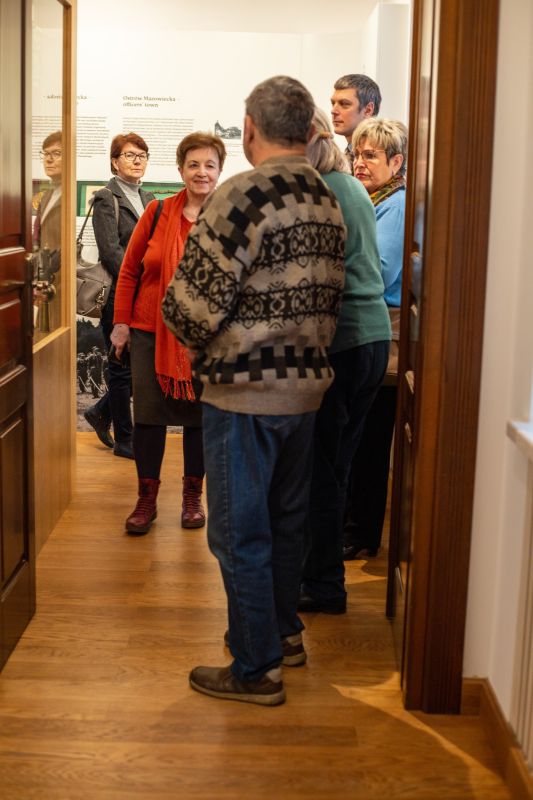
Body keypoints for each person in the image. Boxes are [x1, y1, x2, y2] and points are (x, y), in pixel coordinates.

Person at [161, 76, 346, 707]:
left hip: (245, 391)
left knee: (238, 532)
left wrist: (195, 344)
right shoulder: (324, 195)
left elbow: (190, 305)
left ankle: (256, 667)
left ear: (249, 129)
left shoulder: (243, 193)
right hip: (306, 390)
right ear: (309, 129)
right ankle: (283, 634)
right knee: (287, 521)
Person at [297, 109, 391, 615]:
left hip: (342, 341)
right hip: (369, 339)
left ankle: (324, 585)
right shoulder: (348, 185)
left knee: (321, 470)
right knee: (335, 466)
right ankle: (322, 577)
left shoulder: (321, 190)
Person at [110, 132, 227, 534]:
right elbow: (129, 271)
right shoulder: (157, 211)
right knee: (148, 418)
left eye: (209, 165)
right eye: (193, 164)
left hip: (206, 338)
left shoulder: (229, 219)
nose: (201, 172)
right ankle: (146, 500)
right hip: (150, 331)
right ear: (180, 169)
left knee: (199, 418)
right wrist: (121, 324)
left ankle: (193, 498)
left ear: (220, 171)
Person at [343, 118, 408, 560]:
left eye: (371, 155)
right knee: (359, 433)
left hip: (382, 329)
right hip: (368, 326)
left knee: (369, 438)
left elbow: (379, 272)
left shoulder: (394, 206)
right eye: (357, 154)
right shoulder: (373, 200)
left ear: (396, 162)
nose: (360, 163)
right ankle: (353, 526)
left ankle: (361, 532)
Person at [84, 133, 155, 457]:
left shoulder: (150, 198)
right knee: (120, 366)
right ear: (115, 162)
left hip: (146, 295)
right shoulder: (106, 198)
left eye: (142, 155)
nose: (137, 160)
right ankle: (126, 439)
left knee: (140, 365)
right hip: (118, 294)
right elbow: (111, 252)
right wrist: (142, 278)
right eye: (129, 155)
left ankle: (101, 411)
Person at [33, 131, 63, 334]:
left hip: (60, 281)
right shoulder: (47, 196)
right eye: (46, 153)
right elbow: (38, 237)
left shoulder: (68, 195)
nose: (49, 159)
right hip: (44, 281)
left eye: (57, 153)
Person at [330, 74, 381, 170]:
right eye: (333, 103)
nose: (333, 111)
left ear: (368, 110)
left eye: (344, 104)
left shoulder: (382, 158)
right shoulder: (346, 154)